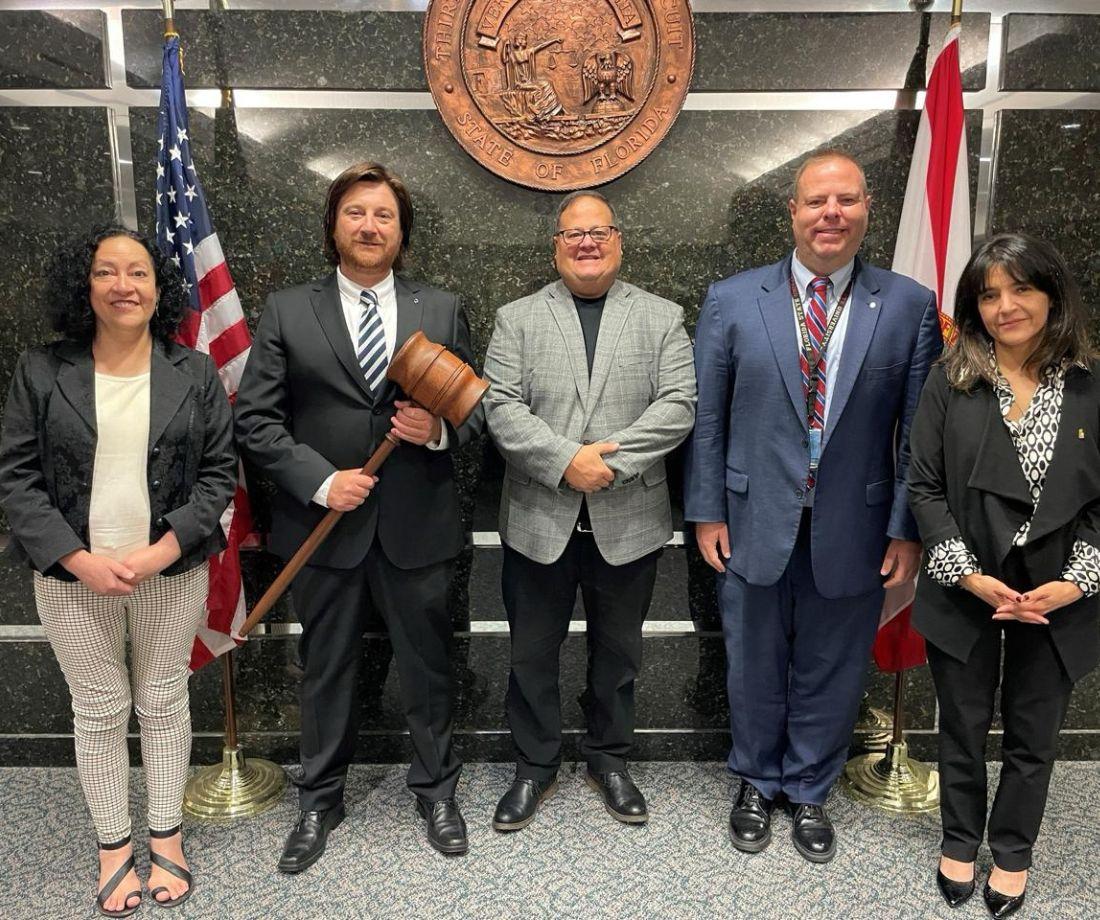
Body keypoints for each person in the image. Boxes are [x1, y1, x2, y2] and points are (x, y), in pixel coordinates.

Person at [684, 150, 942, 862]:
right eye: (816, 201)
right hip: (751, 519)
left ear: (866, 212)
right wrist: (708, 511)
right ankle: (755, 781)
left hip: (858, 527)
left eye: (847, 201)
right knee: (753, 661)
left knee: (832, 664)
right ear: (792, 212)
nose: (831, 213)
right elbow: (710, 419)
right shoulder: (732, 300)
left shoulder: (909, 306)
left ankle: (808, 791)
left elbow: (919, 431)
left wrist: (906, 530)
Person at [235, 162, 483, 868]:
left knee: (429, 667)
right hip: (325, 527)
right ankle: (319, 801)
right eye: (356, 213)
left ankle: (437, 792)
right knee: (325, 667)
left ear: (401, 233)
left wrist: (435, 433)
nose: (370, 226)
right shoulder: (287, 309)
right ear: (334, 225)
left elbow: (472, 413)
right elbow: (255, 420)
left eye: (384, 216)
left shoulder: (440, 307)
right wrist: (319, 481)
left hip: (417, 524)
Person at [0, 227, 237, 916]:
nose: (124, 285)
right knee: (99, 708)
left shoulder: (192, 372)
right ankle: (112, 846)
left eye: (139, 272)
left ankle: (167, 838)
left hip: (170, 568)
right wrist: (76, 559)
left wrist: (162, 549)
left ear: (160, 290)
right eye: (107, 272)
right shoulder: (42, 370)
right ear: (87, 285)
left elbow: (219, 477)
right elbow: (16, 480)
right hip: (72, 575)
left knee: (163, 700)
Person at [482, 190, 696, 830]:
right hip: (537, 519)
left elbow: (680, 404)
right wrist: (564, 460)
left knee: (619, 654)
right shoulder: (515, 318)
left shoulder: (661, 316)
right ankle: (534, 765)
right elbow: (501, 409)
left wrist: (607, 461)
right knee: (530, 655)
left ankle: (609, 757)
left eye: (599, 231)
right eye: (573, 233)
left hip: (628, 521)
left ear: (618, 240)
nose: (587, 242)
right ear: (556, 245)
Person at [908, 233, 1099, 918]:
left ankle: (1012, 851)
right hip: (968, 584)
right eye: (989, 294)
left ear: (1053, 294)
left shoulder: (1089, 382)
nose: (1005, 306)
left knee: (1033, 732)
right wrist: (964, 573)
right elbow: (924, 485)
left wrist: (1079, 579)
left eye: (1021, 289)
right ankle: (960, 839)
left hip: (1059, 592)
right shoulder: (951, 376)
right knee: (960, 724)